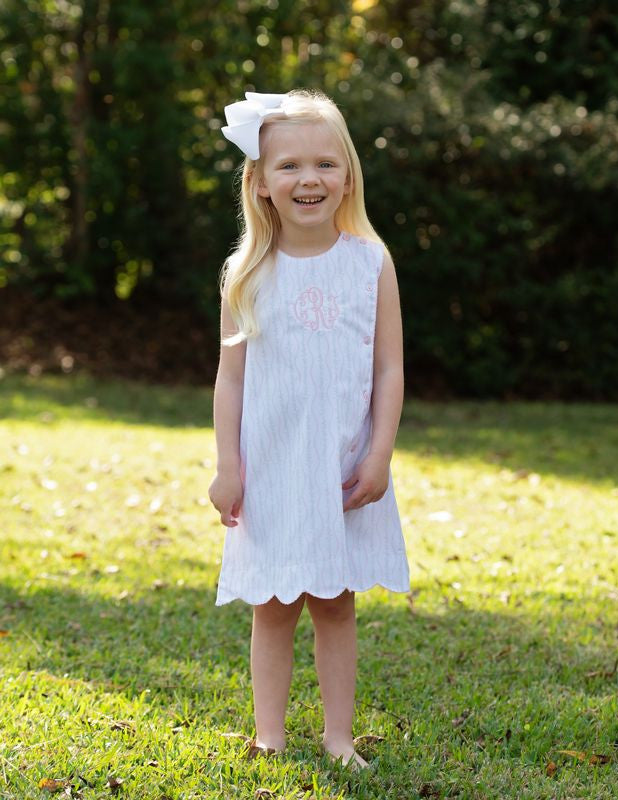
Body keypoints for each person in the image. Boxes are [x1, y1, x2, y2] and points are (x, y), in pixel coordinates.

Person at [208, 89, 410, 770]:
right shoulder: (247, 274)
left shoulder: (369, 264)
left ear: (347, 175)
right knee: (271, 607)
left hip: (341, 468)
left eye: (325, 163)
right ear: (260, 183)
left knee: (334, 603)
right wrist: (227, 466)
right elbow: (230, 380)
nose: (308, 179)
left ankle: (337, 736)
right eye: (289, 166)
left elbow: (387, 370)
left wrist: (378, 455)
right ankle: (269, 733)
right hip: (271, 468)